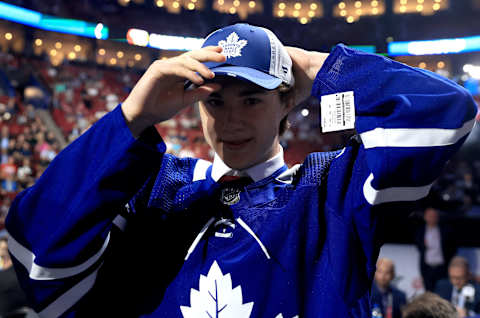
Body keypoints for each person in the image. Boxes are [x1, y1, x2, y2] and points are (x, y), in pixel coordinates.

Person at [5, 23, 477, 317]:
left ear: (287, 101)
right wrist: (131, 118)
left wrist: (319, 67)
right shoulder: (154, 188)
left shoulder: (330, 189)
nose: (231, 121)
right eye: (215, 101)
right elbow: (37, 253)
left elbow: (447, 111)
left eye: (251, 100)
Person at [415, 206, 457, 291]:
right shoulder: (420, 231)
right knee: (429, 292)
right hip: (427, 267)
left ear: (438, 217)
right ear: (425, 217)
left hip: (442, 267)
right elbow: (419, 246)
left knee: (443, 290)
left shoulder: (445, 230)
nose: (432, 218)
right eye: (430, 216)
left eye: (434, 216)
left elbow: (452, 247)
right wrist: (424, 245)